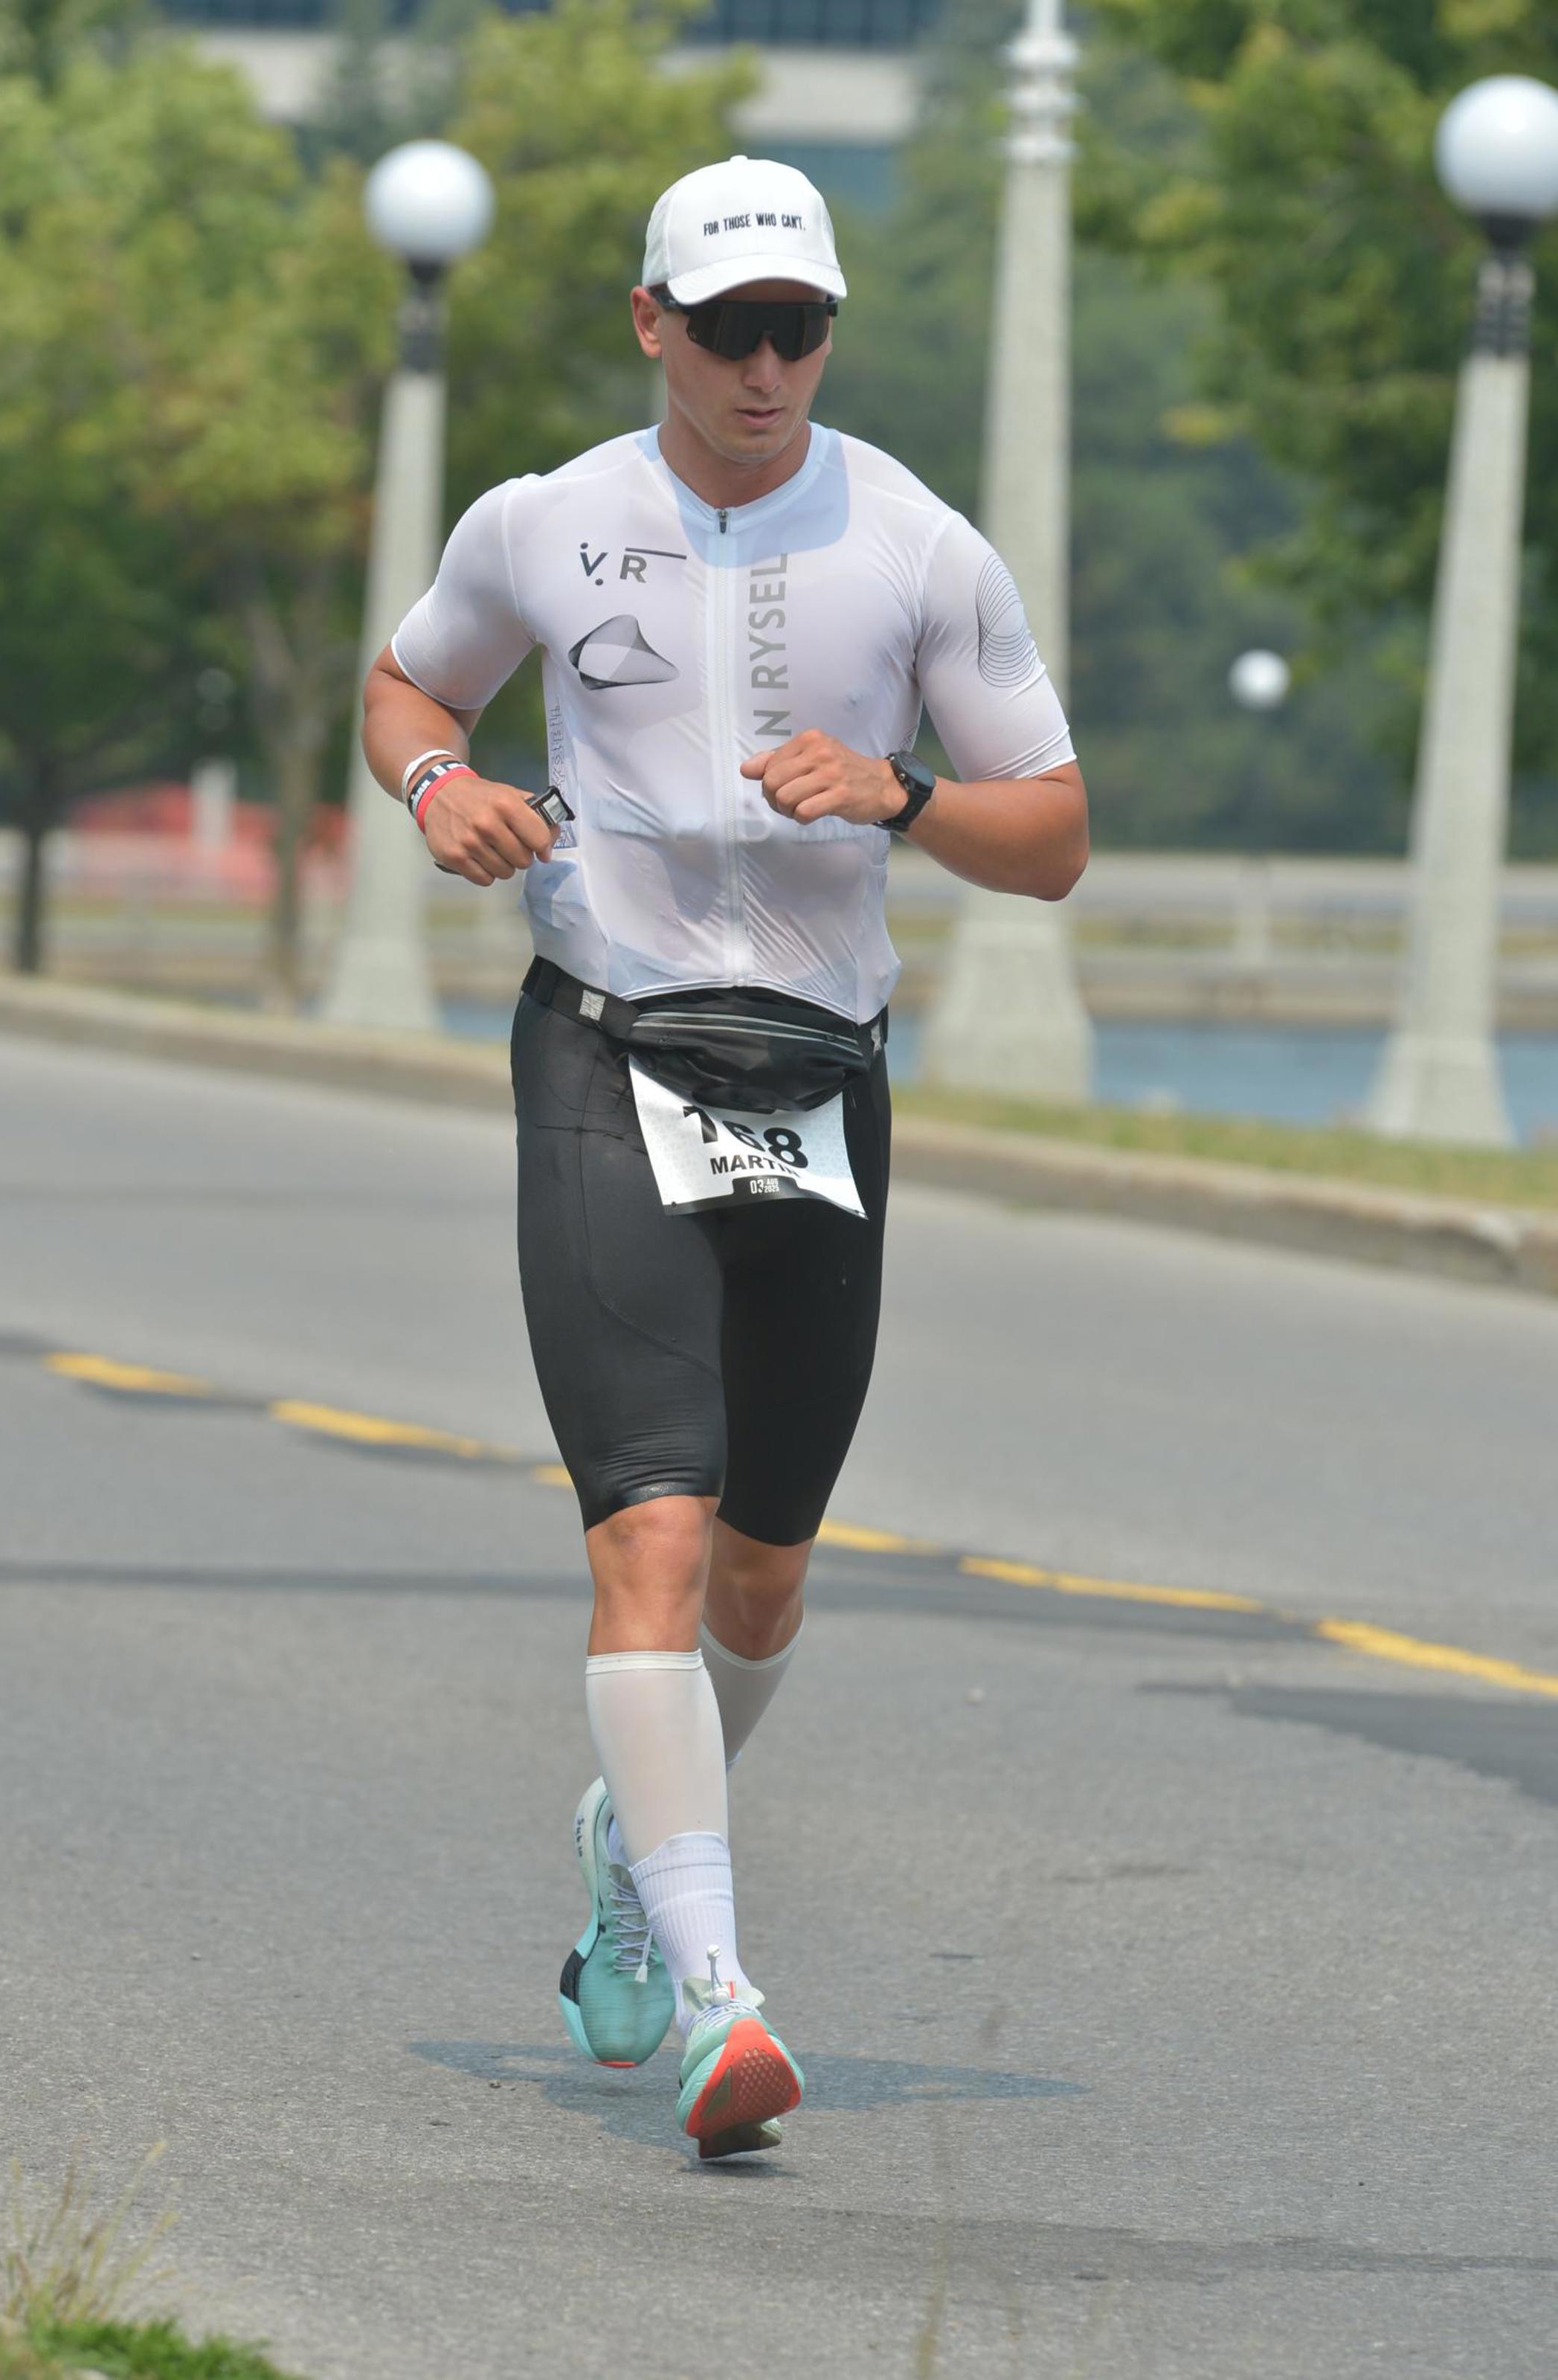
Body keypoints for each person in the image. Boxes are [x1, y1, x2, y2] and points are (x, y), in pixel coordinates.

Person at [361, 154, 1087, 2159]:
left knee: (760, 1583)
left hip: (817, 1068)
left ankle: (635, 1838)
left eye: (804, 328)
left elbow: (1056, 835)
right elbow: (407, 680)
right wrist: (439, 783)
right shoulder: (546, 521)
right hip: (603, 1045)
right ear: (652, 325)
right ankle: (717, 1998)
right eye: (732, 327)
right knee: (653, 1535)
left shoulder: (922, 548)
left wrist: (907, 790)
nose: (771, 366)